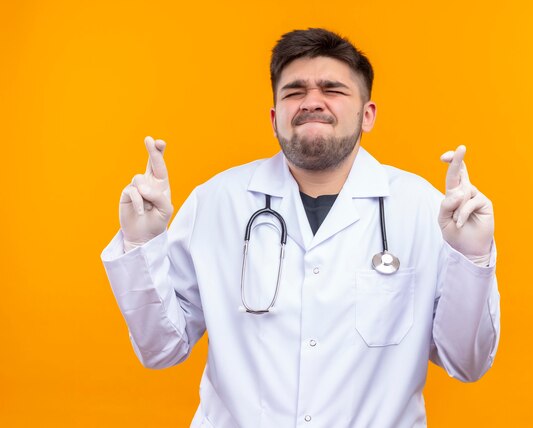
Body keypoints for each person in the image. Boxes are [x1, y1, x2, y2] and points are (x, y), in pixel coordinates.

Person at [101, 28, 500, 427]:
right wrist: (142, 242)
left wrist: (472, 257)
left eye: (332, 89)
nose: (312, 102)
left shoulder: (422, 209)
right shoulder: (217, 202)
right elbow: (161, 349)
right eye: (294, 92)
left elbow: (467, 363)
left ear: (368, 115)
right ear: (275, 118)